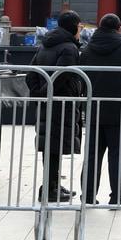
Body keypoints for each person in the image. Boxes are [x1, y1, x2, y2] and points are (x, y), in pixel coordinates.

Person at [78, 13, 121, 206]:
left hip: (94, 109)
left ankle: (88, 196)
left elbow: (81, 78)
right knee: (117, 155)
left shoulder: (88, 49)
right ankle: (118, 196)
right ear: (118, 28)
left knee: (92, 155)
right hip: (120, 109)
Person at [27, 11, 84, 202]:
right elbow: (61, 76)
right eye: (80, 26)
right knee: (55, 146)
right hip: (61, 104)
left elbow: (31, 73)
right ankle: (50, 189)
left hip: (47, 104)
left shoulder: (45, 45)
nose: (81, 30)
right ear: (74, 26)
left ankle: (52, 185)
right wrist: (46, 93)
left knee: (51, 146)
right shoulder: (68, 48)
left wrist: (38, 94)